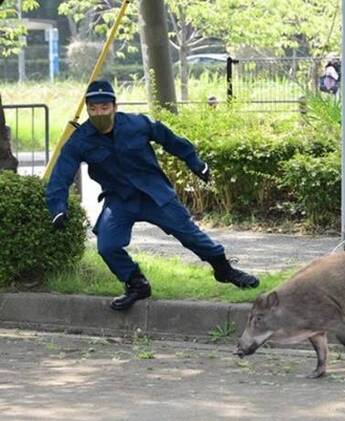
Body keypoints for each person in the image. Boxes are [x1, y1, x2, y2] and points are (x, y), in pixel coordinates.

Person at [47, 80, 259, 311]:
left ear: (115, 107)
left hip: (154, 194)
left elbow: (170, 140)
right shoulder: (80, 140)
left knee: (191, 236)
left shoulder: (137, 124)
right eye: (94, 108)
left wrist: (196, 164)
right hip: (119, 200)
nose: (99, 113)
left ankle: (224, 270)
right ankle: (137, 284)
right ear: (87, 109)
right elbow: (61, 175)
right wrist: (58, 208)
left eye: (105, 107)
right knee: (107, 246)